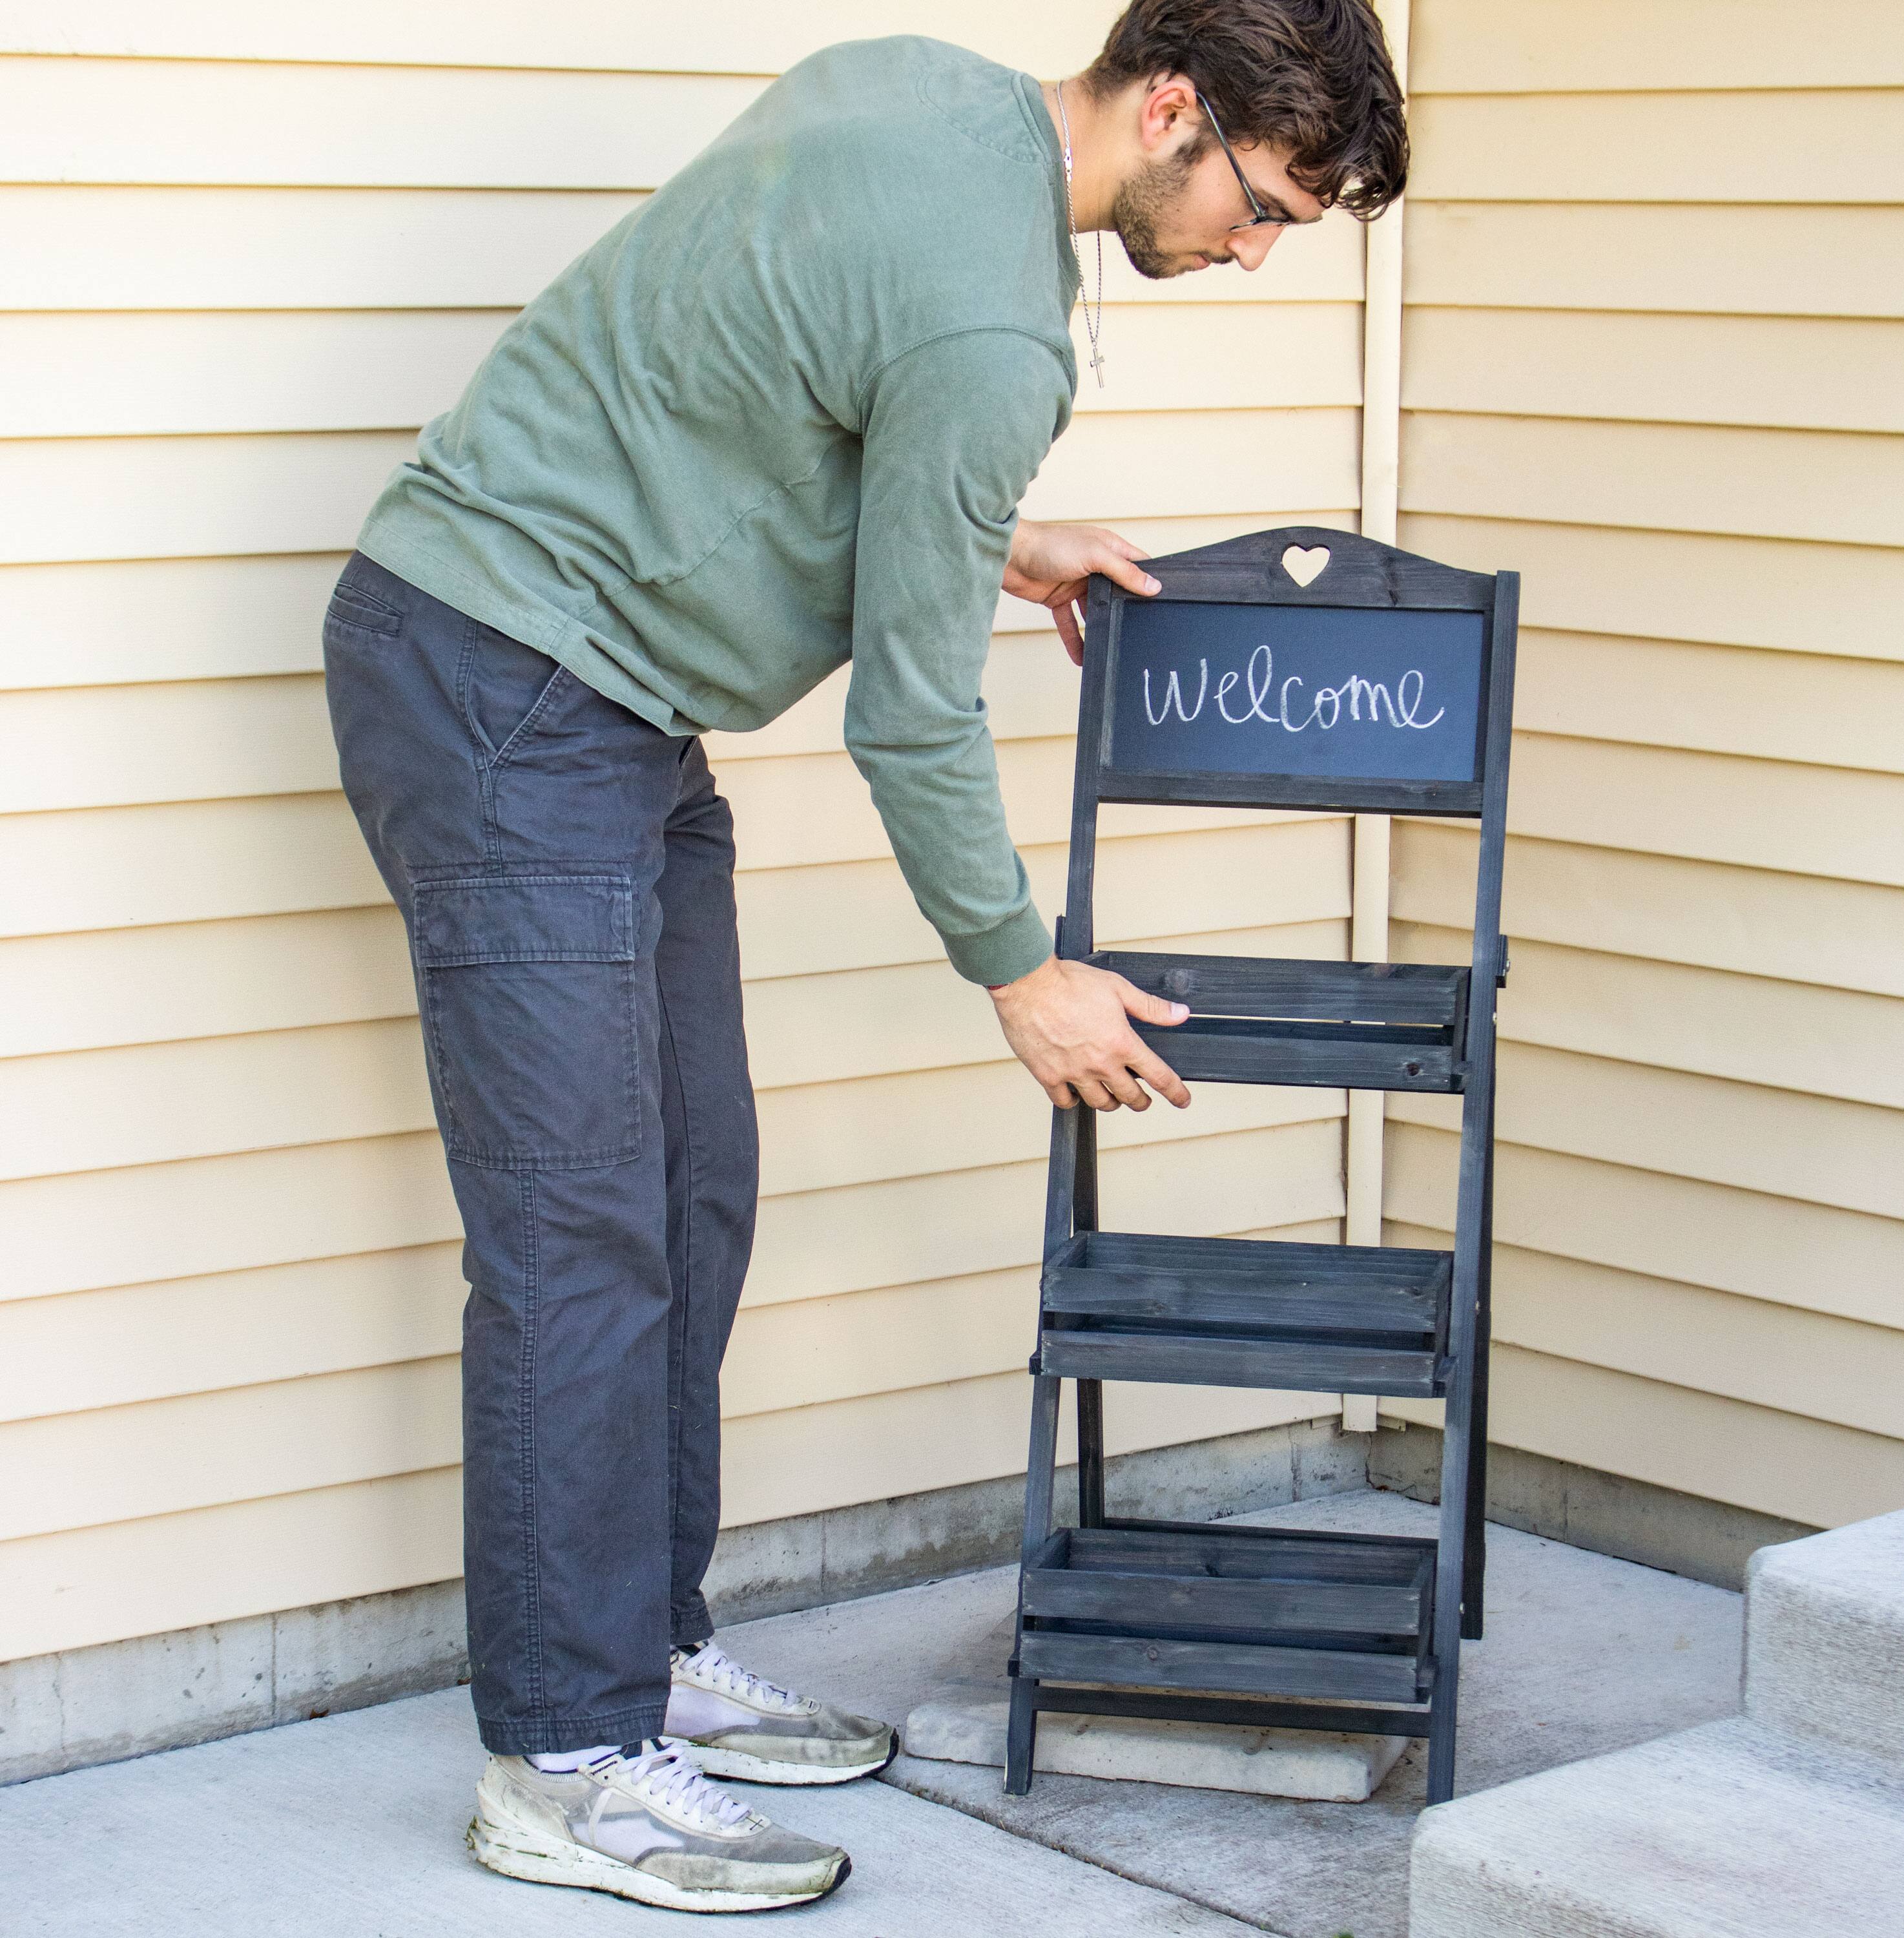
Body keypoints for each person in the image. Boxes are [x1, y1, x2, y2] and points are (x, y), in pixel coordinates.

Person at [322, 0, 1405, 1913]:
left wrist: (986, 533)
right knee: (582, 1242)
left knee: (689, 1199)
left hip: (586, 694)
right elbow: (910, 721)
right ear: (1174, 109)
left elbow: (754, 374)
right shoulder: (997, 328)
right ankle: (567, 1764)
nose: (1252, 253)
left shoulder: (911, 88)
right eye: (1263, 210)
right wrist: (1023, 969)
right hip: (510, 686)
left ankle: (640, 1656)